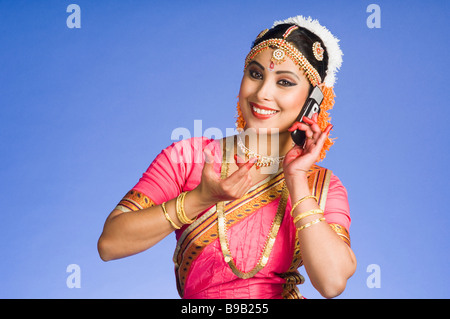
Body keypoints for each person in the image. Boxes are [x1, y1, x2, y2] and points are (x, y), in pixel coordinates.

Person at [97, 15, 356, 299]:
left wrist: (295, 180)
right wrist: (200, 199)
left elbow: (332, 283)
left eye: (284, 82)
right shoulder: (190, 157)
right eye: (256, 74)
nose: (262, 93)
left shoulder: (321, 185)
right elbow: (110, 245)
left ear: (313, 102)